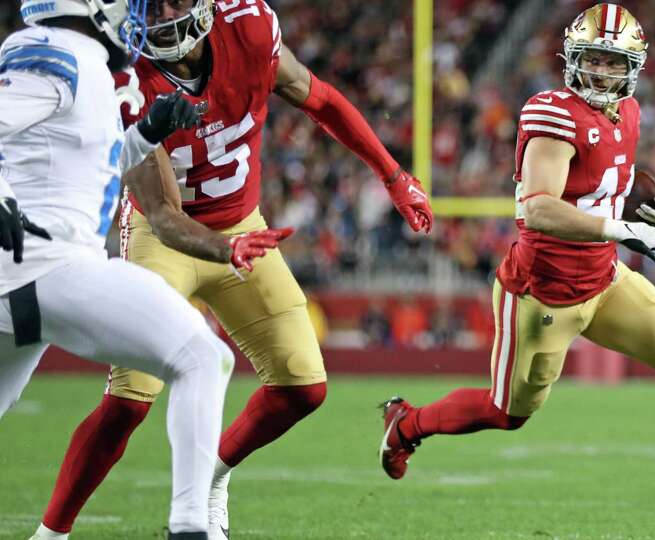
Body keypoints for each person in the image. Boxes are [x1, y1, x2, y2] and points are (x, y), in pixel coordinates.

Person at [378, 4, 655, 539]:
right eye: (594, 59)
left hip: (603, 280)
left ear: (633, 67)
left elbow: (600, 191)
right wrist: (623, 232)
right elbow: (539, 208)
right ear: (572, 59)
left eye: (613, 62)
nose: (602, 72)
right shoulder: (553, 114)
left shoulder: (628, 113)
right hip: (542, 294)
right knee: (506, 411)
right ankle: (407, 424)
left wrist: (650, 211)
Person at [33, 1, 434, 539]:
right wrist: (229, 249)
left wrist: (391, 175)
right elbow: (165, 216)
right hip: (165, 239)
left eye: (174, 1)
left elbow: (317, 96)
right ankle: (51, 533)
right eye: (150, 4)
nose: (160, 14)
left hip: (244, 223)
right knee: (131, 397)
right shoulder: (120, 75)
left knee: (303, 386)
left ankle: (215, 475)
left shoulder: (247, 27)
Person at [0, 0, 285, 537]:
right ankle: (189, 528)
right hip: (47, 261)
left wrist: (148, 131)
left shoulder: (86, 61)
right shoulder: (56, 51)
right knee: (202, 357)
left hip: (24, 274)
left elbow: (89, 159)